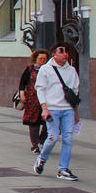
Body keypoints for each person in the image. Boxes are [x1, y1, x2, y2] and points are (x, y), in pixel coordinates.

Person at [34, 44, 81, 181]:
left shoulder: (71, 70)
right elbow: (40, 89)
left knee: (67, 139)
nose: (65, 54)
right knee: (53, 137)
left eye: (66, 52)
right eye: (61, 52)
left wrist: (76, 113)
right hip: (52, 109)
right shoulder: (45, 69)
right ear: (54, 54)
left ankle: (63, 169)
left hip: (67, 110)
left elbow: (74, 93)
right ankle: (42, 158)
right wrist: (44, 108)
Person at [19, 49, 50, 153]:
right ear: (35, 59)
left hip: (47, 99)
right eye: (40, 58)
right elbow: (22, 83)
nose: (43, 61)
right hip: (33, 99)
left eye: (45, 59)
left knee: (48, 122)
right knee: (33, 123)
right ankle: (35, 145)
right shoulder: (30, 69)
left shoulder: (50, 70)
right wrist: (22, 94)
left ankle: (42, 140)